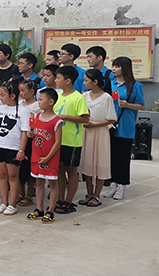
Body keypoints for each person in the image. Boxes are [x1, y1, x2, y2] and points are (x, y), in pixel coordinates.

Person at [103, 57, 145, 200]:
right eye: (113, 66)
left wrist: (128, 105)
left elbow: (141, 105)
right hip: (110, 124)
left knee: (123, 157)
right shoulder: (110, 84)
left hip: (125, 125)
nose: (113, 69)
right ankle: (113, 183)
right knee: (111, 156)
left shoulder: (135, 86)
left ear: (125, 68)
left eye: (117, 66)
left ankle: (122, 184)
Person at [0, 80, 30, 215]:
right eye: (0, 95)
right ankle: (3, 202)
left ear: (12, 96)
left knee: (13, 176)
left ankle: (12, 204)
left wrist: (21, 150)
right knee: (2, 175)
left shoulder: (23, 111)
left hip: (13, 147)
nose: (0, 98)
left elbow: (25, 132)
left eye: (3, 95)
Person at [53, 66, 90, 213]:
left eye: (58, 78)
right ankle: (60, 199)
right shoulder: (57, 96)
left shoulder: (78, 98)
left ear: (68, 81)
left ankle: (69, 201)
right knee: (59, 170)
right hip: (57, 140)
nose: (56, 81)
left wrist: (66, 117)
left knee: (72, 170)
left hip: (72, 141)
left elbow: (85, 119)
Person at [79, 69, 117, 207]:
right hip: (86, 131)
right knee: (88, 162)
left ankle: (97, 195)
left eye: (86, 80)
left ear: (95, 82)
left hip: (100, 132)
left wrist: (94, 124)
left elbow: (111, 119)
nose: (84, 83)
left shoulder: (106, 97)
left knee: (100, 162)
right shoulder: (84, 96)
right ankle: (89, 193)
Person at [27, 88, 63, 223]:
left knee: (52, 183)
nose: (38, 102)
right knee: (39, 182)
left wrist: (48, 157)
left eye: (41, 99)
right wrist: (31, 134)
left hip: (50, 157)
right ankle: (39, 209)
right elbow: (34, 133)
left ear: (51, 102)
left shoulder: (57, 121)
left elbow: (58, 142)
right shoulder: (36, 117)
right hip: (37, 155)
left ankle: (51, 210)